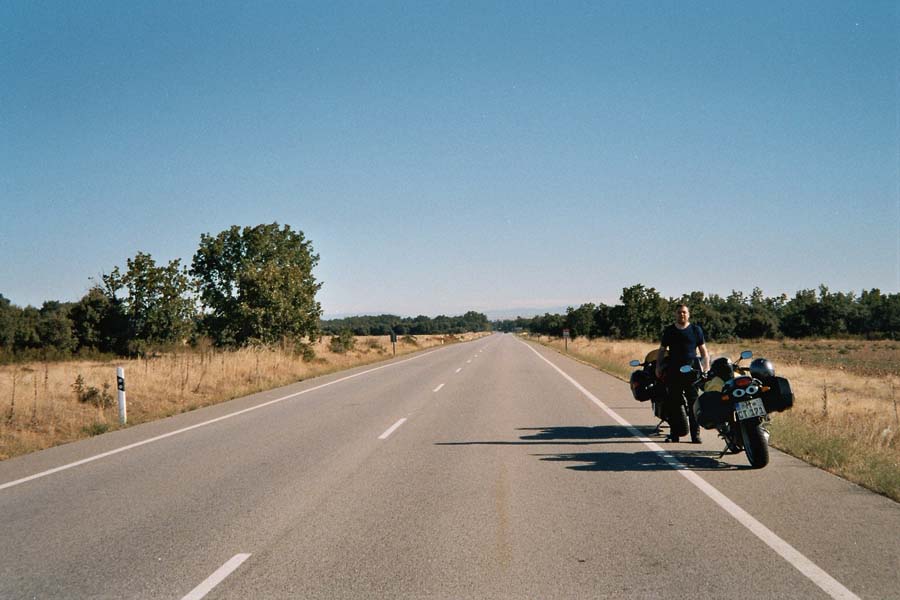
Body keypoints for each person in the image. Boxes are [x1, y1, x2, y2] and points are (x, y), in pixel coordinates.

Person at [655, 304, 710, 443]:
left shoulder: (696, 330)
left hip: (692, 372)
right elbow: (661, 350)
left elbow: (704, 351)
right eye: (679, 312)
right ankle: (675, 434)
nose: (682, 315)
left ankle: (695, 435)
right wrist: (658, 366)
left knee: (694, 404)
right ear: (676, 314)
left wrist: (706, 367)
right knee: (674, 404)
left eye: (684, 312)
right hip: (673, 372)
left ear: (689, 314)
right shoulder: (669, 331)